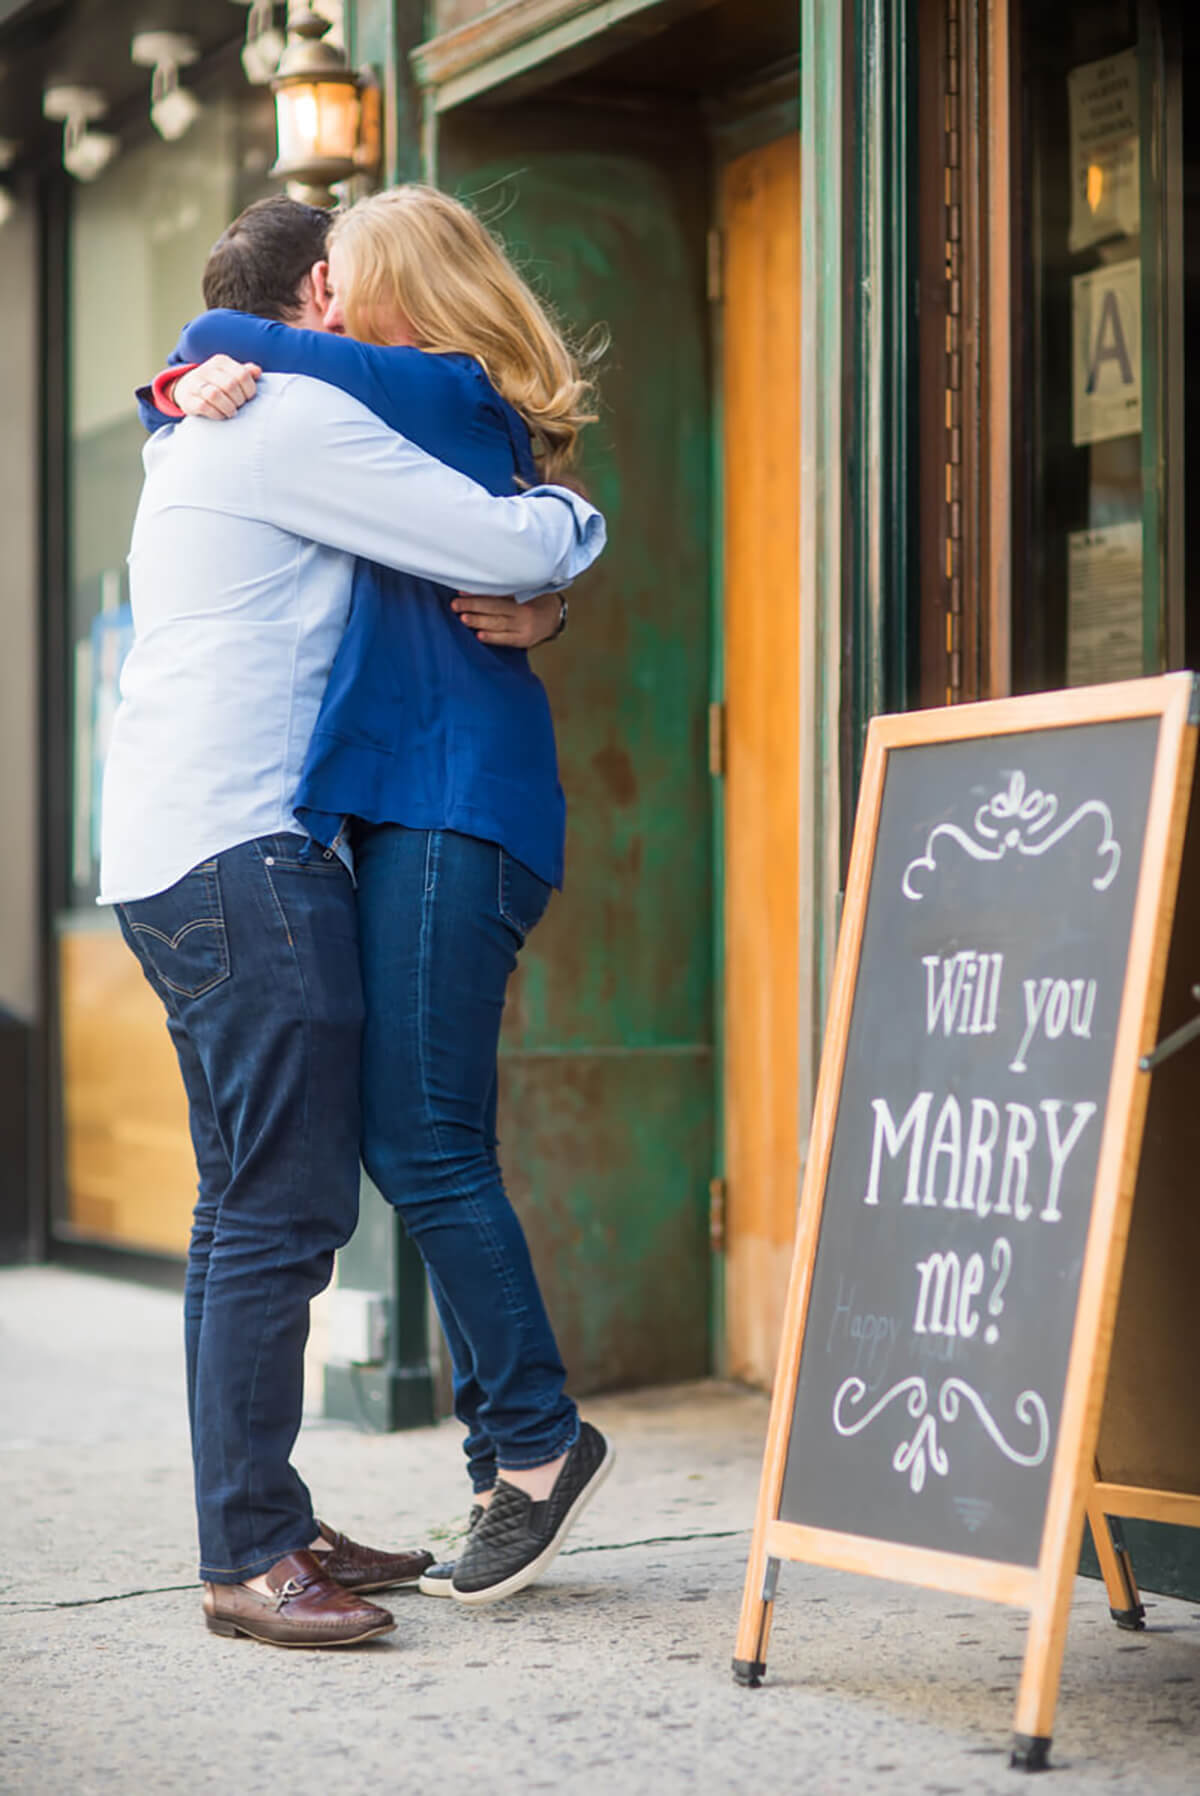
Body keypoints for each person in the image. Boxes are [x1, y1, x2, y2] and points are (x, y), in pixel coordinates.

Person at [104, 194, 606, 1648]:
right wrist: (569, 532)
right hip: (240, 850)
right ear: (321, 306)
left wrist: (185, 368)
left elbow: (476, 546)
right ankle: (251, 1548)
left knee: (250, 1204)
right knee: (275, 1209)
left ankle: (264, 1516)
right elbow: (508, 538)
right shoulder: (290, 418)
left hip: (192, 845)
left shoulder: (233, 419)